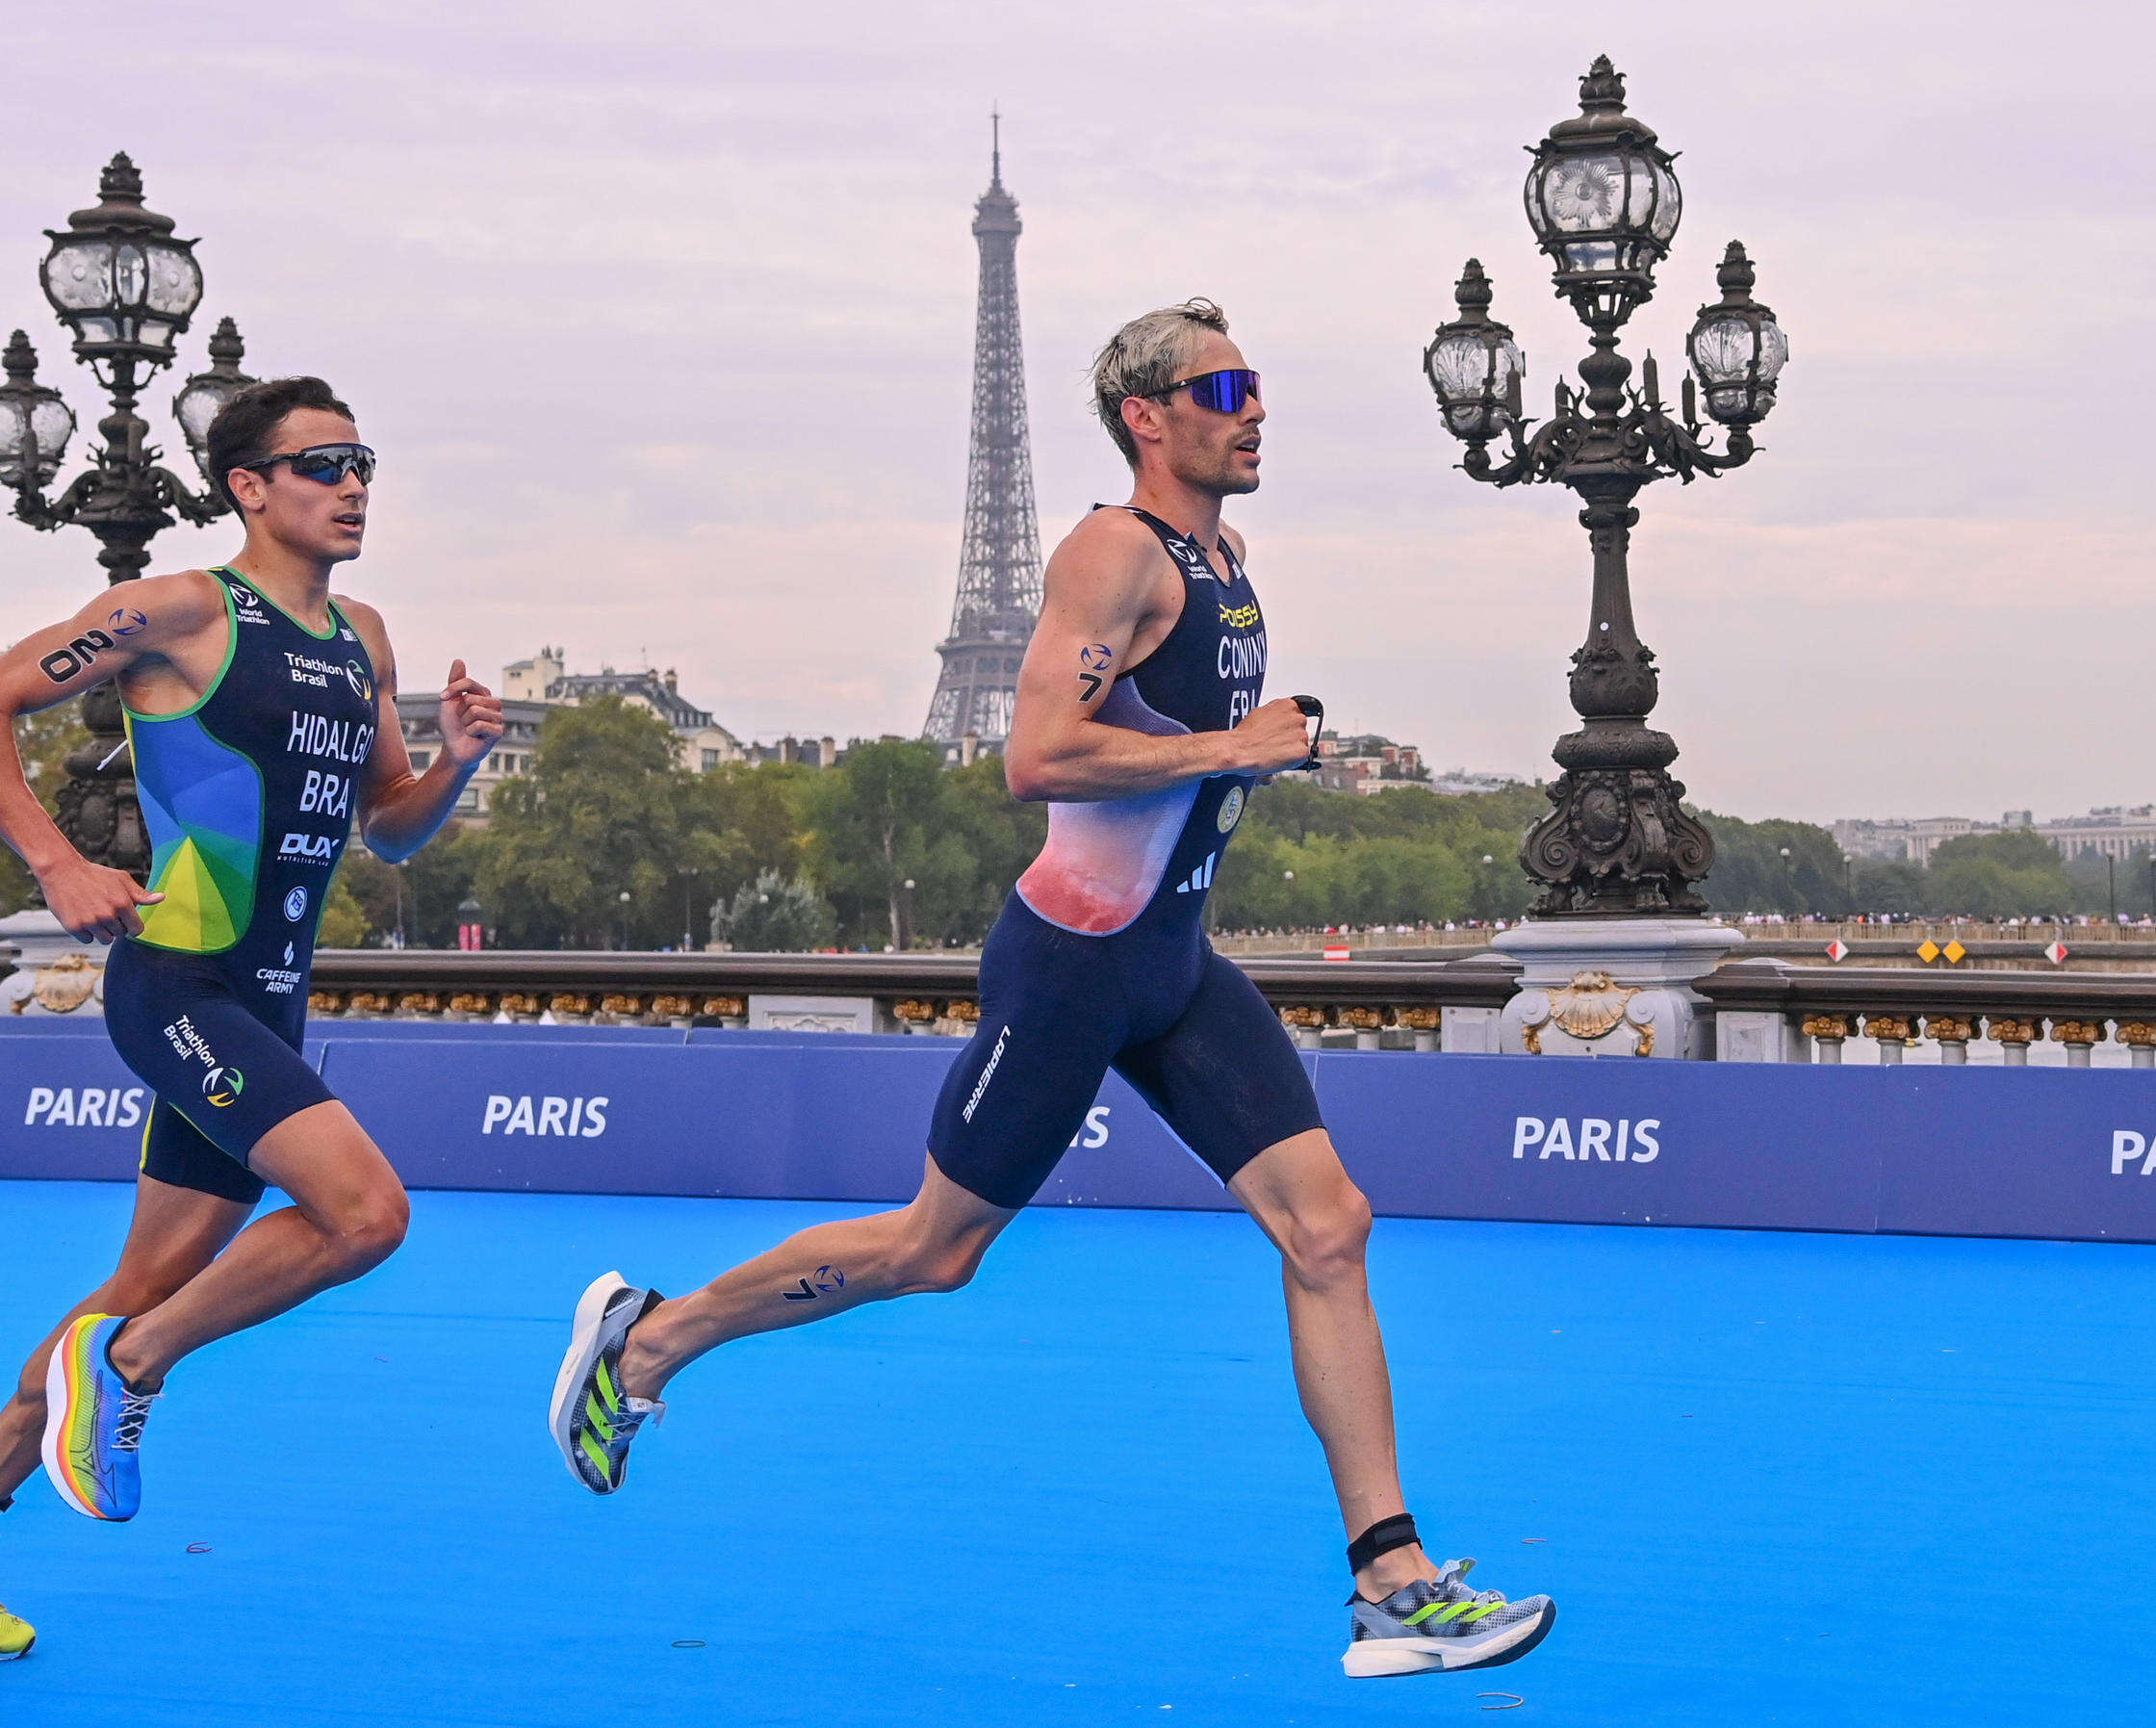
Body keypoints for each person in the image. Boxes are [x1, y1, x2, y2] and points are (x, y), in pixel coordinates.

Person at [549, 300, 1553, 1680]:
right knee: (932, 1250)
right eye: (1228, 384)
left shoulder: (1225, 555)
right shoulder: (1108, 550)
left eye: (1260, 382)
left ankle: (1391, 1579)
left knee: (1330, 1226)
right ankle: (649, 1338)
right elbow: (1034, 756)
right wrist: (1232, 744)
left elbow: (1179, 747)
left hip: (1178, 962)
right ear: (1148, 414)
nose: (1256, 407)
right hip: (1075, 964)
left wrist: (1252, 753)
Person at [0, 377, 502, 1568]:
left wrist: (460, 762)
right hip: (177, 985)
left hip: (267, 998)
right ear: (248, 487)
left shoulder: (360, 637)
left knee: (142, 1280)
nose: (353, 485)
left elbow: (387, 826)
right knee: (364, 1214)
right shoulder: (174, 611)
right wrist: (59, 863)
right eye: (323, 465)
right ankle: (129, 1369)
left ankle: (87, 1378)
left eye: (364, 462)